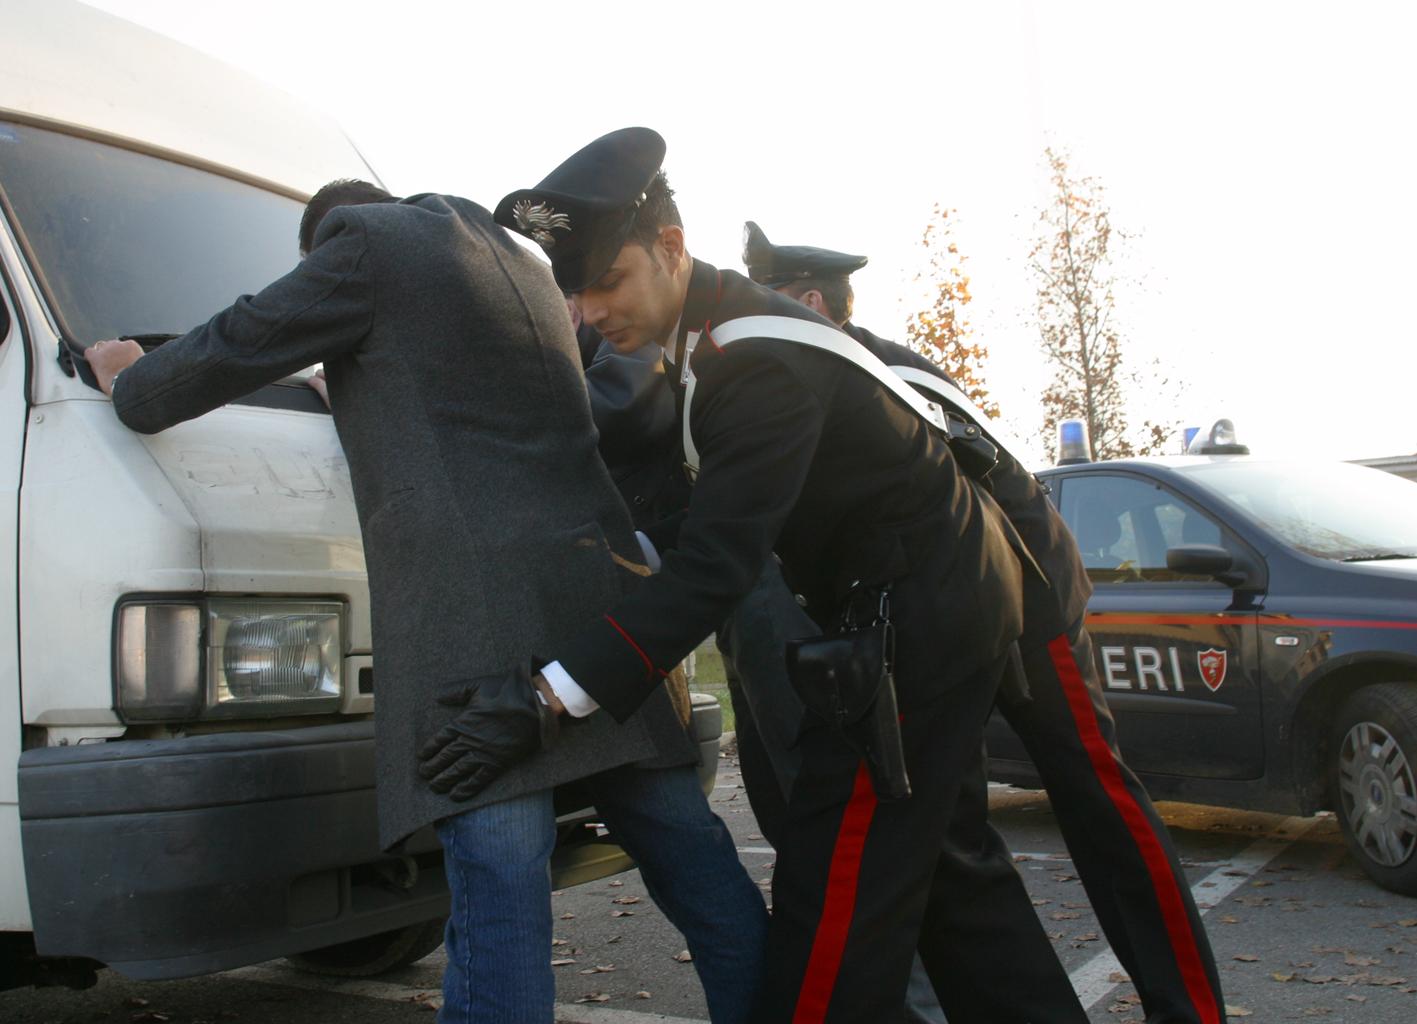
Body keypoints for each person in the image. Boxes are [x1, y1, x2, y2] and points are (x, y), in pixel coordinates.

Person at [418, 126, 1083, 1023]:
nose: (591, 309)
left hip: (919, 627)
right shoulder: (705, 344)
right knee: (952, 885)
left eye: (606, 281)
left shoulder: (752, 355)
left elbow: (717, 566)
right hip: (906, 612)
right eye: (574, 290)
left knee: (834, 890)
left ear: (670, 246)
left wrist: (546, 698)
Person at [83, 179, 768, 1024]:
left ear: (321, 244)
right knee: (693, 862)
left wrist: (127, 374)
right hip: (603, 606)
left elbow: (228, 345)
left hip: (476, 617)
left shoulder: (358, 244)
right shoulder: (515, 259)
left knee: (499, 885)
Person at [742, 221, 1227, 1024]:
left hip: (1024, 593)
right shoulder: (819, 375)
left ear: (809, 302)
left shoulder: (883, 371)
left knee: (1098, 799)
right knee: (950, 833)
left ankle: (1189, 1011)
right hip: (938, 624)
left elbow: (987, 503)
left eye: (771, 306)